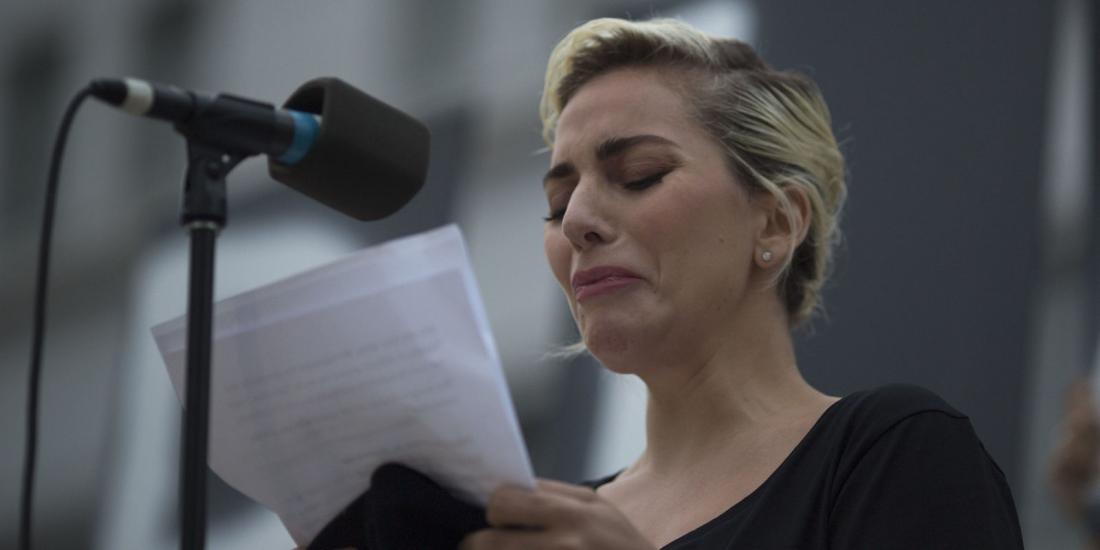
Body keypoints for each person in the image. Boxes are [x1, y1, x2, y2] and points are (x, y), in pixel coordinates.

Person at [455, 17, 1024, 549]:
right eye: (558, 204)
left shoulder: (894, 452)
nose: (577, 221)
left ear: (776, 222)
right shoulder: (546, 528)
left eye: (639, 175)